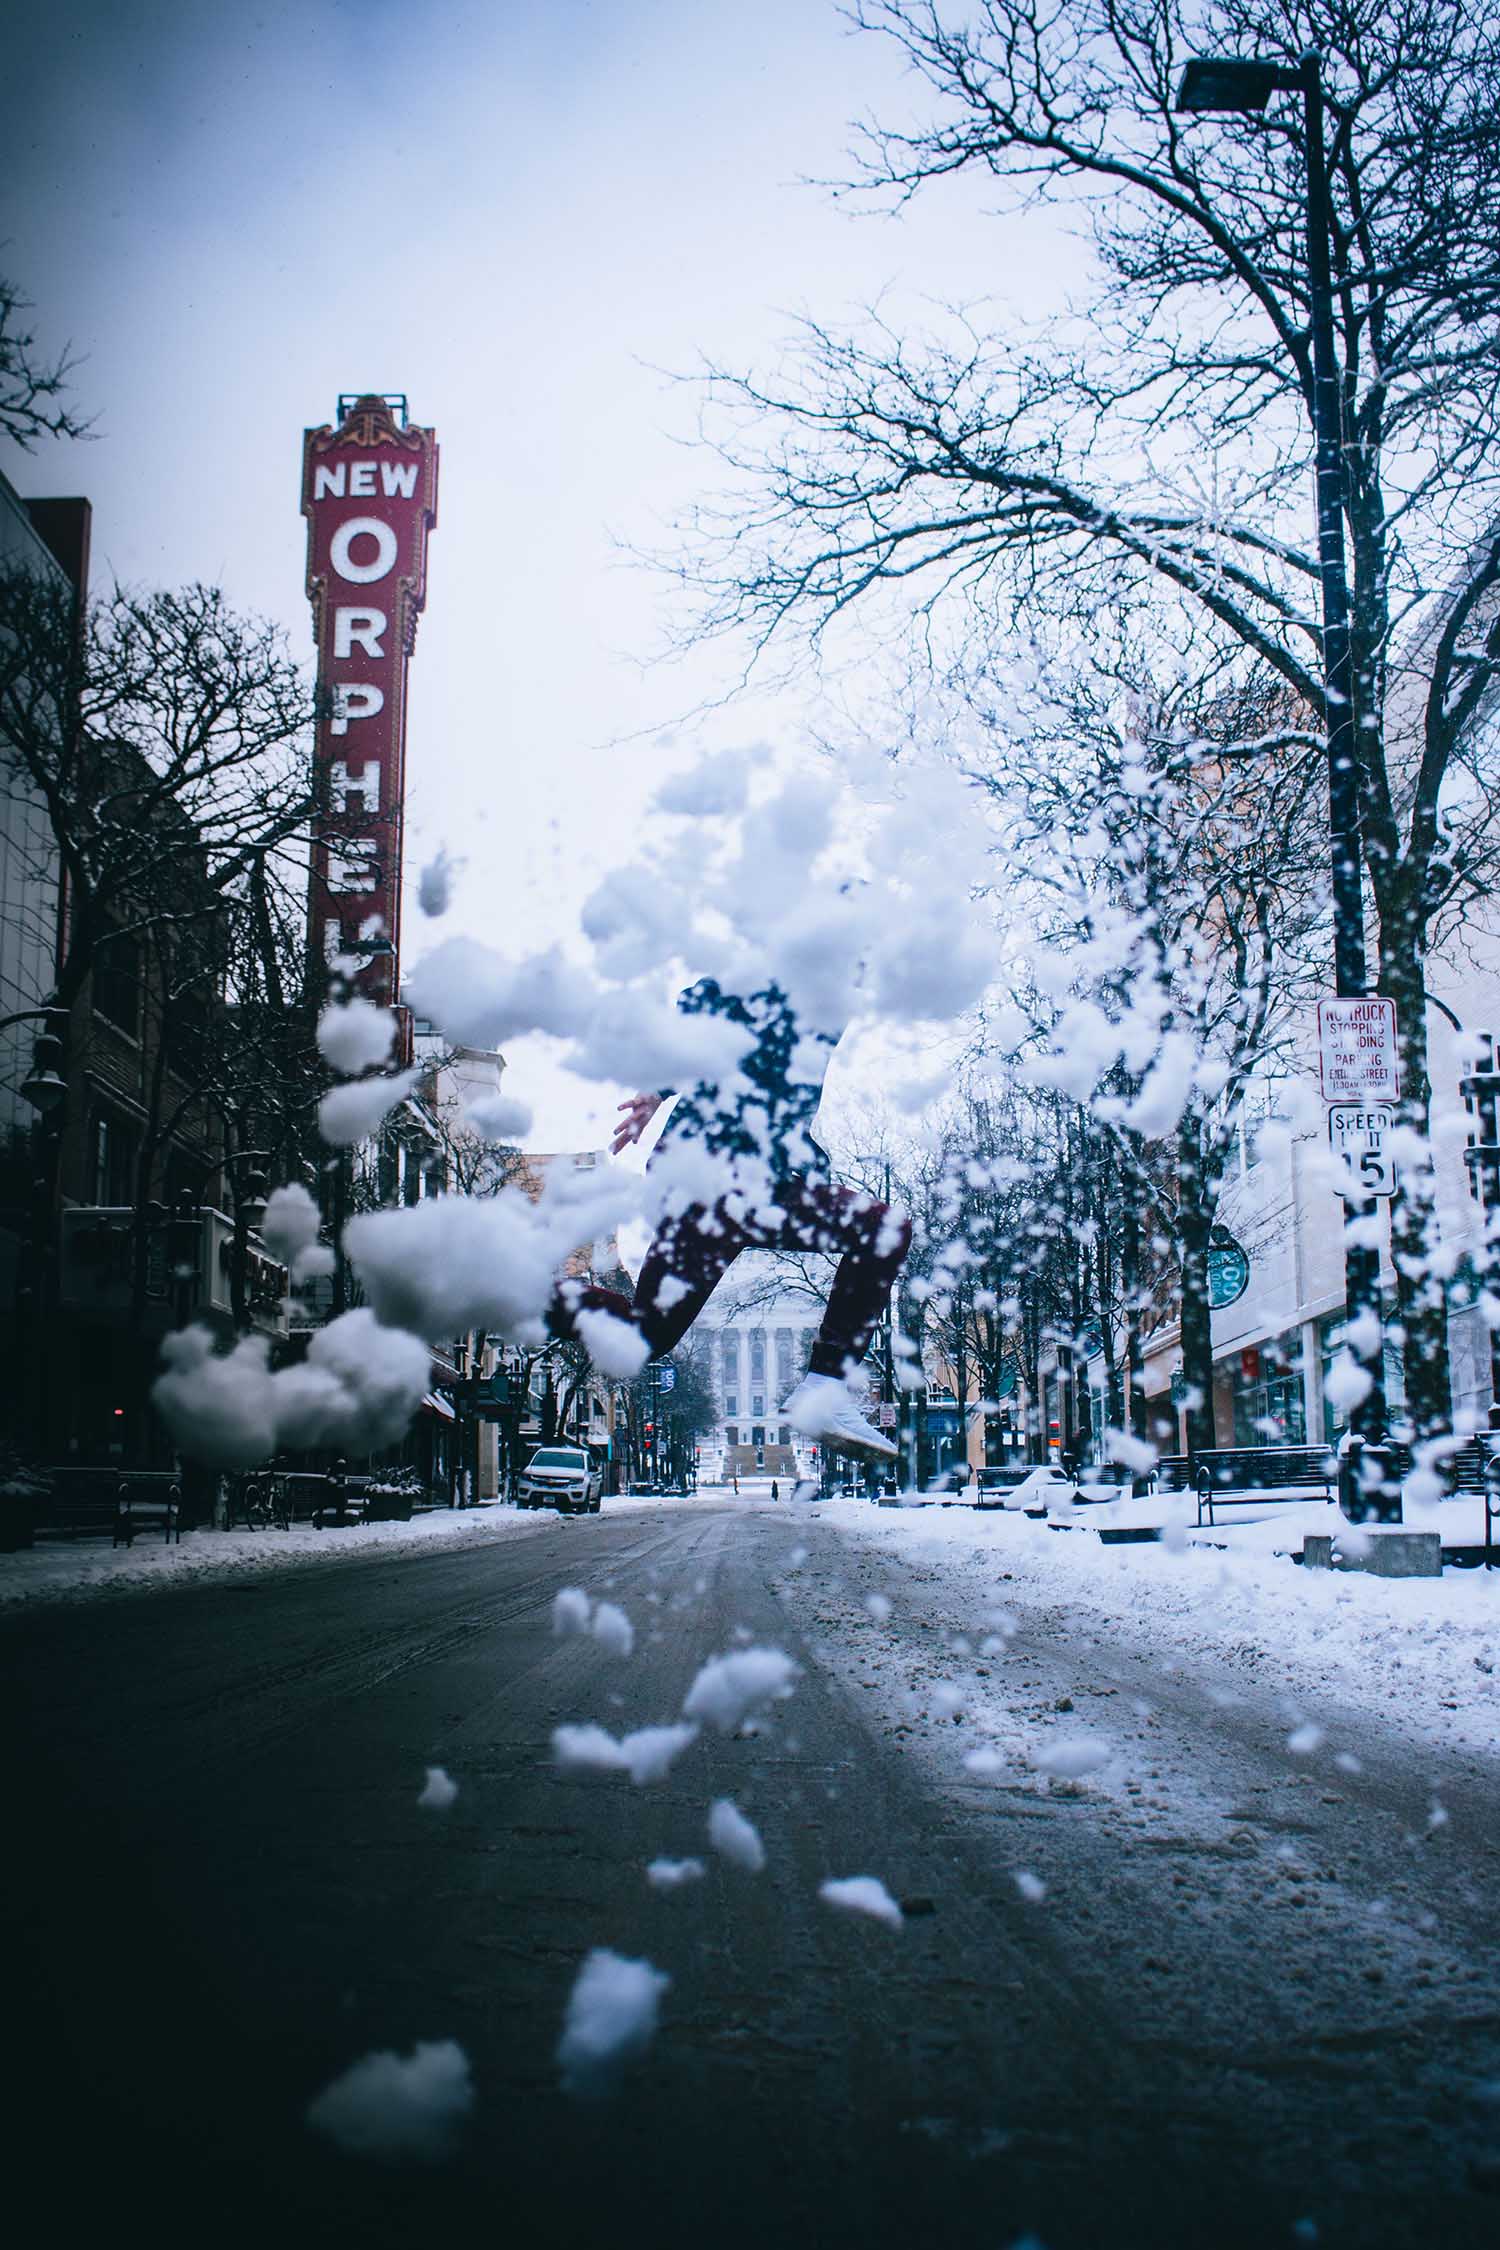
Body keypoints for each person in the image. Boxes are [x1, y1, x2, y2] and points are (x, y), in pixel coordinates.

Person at [547, 974, 909, 1458]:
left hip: (739, 1187)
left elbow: (769, 1086)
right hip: (714, 1177)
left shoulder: (828, 996)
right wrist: (659, 1086)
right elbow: (705, 1003)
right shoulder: (787, 963)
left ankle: (518, 1294)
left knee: (645, 1332)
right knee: (881, 1228)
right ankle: (826, 1388)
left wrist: (804, 1154)